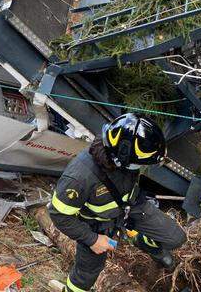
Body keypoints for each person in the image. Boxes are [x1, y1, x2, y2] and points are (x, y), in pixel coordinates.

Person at [49, 113, 187, 292]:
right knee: (86, 274)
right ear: (120, 158)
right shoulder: (79, 177)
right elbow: (59, 214)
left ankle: (142, 240)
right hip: (96, 225)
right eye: (138, 165)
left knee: (176, 238)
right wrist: (92, 240)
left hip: (131, 207)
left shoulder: (125, 151)